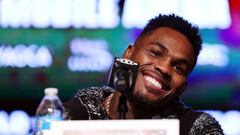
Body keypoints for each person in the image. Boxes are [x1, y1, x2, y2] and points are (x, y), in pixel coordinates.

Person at [63, 14, 224, 134]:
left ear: (182, 87)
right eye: (155, 53)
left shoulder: (196, 129)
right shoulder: (73, 116)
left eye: (178, 68)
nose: (164, 69)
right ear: (128, 54)